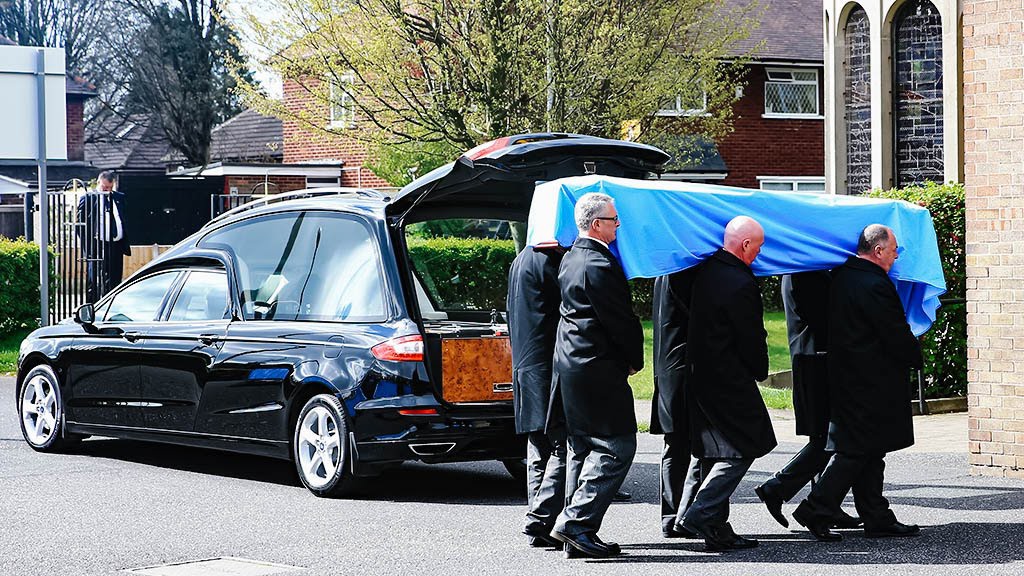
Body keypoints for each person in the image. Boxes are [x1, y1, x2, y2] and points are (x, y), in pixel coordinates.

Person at [793, 224, 923, 542]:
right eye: (894, 250)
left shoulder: (844, 277)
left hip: (849, 375)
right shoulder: (874, 283)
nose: (895, 256)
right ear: (878, 250)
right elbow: (892, 331)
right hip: (871, 379)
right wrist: (915, 355)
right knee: (857, 451)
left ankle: (876, 516)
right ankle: (816, 507)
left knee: (869, 450)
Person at [549, 193, 643, 559]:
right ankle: (576, 524)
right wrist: (633, 361)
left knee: (583, 448)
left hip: (571, 366)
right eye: (614, 219)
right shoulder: (599, 264)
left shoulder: (571, 257)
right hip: (596, 367)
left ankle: (575, 533)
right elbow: (620, 321)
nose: (618, 225)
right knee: (616, 447)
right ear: (595, 224)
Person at [673, 215, 776, 551]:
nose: (758, 255)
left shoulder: (703, 271)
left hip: (698, 373)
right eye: (757, 248)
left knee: (710, 450)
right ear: (745, 244)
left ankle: (710, 525)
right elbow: (749, 335)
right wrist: (760, 369)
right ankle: (701, 513)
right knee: (744, 444)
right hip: (728, 377)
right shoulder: (739, 281)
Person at [754, 272, 861, 530]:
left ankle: (825, 504)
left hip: (812, 359)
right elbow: (824, 318)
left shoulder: (800, 273)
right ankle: (777, 487)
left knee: (825, 436)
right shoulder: (805, 275)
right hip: (816, 362)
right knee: (828, 438)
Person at [507, 243, 566, 549]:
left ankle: (538, 521)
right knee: (561, 445)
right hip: (547, 365)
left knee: (537, 447)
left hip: (524, 364)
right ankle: (540, 519)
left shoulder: (521, 261)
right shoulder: (553, 263)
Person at [650, 268, 700, 539]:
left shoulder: (663, 272)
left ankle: (671, 516)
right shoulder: (685, 274)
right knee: (694, 446)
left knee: (674, 445)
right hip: (684, 368)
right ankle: (686, 514)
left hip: (666, 367)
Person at [77, 171, 130, 302]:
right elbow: (80, 224)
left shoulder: (119, 197)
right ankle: (92, 307)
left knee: (114, 278)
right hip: (97, 243)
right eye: (105, 187)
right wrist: (87, 246)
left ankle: (111, 304)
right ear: (98, 183)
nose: (107, 190)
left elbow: (123, 218)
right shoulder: (89, 198)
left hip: (116, 243)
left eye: (110, 188)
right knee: (94, 278)